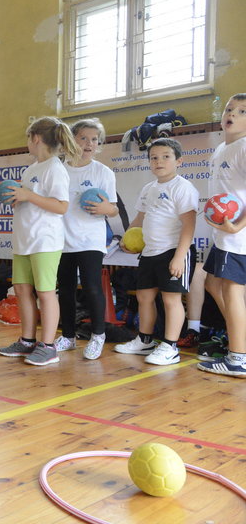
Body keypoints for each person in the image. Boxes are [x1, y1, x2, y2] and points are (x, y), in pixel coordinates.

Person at [0, 117, 79, 366]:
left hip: (45, 241)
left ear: (36, 138)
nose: (28, 143)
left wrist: (28, 195)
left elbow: (61, 206)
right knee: (22, 290)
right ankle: (27, 341)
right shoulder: (32, 168)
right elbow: (31, 199)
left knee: (45, 293)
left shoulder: (55, 168)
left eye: (28, 138)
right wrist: (19, 198)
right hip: (24, 238)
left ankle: (48, 346)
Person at [114, 138, 198, 365]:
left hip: (174, 251)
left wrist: (180, 257)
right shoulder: (148, 189)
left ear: (178, 161)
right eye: (154, 157)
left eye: (166, 156)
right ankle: (144, 340)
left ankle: (170, 347)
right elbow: (140, 219)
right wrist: (127, 240)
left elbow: (189, 225)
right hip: (150, 253)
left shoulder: (183, 187)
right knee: (144, 296)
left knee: (171, 299)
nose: (159, 161)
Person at [55, 118, 119, 360]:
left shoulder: (103, 172)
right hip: (61, 241)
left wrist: (106, 209)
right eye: (83, 138)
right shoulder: (59, 168)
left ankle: (98, 336)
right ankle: (68, 336)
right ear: (72, 140)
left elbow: (113, 209)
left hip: (91, 240)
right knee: (66, 289)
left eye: (94, 139)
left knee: (92, 288)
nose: (89, 143)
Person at [199, 93, 246, 377]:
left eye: (242, 111)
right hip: (222, 236)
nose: (232, 114)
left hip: (237, 237)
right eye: (230, 109)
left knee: (231, 290)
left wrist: (238, 225)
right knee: (212, 284)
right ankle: (240, 339)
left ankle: (238, 357)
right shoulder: (220, 150)